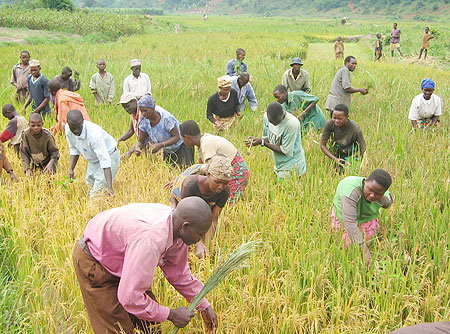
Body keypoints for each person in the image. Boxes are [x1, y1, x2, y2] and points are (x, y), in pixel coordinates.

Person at [72, 197, 218, 333]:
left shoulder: (178, 230)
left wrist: (204, 305)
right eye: (199, 235)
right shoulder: (150, 241)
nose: (200, 240)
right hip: (97, 261)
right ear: (185, 226)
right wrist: (171, 314)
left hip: (125, 259)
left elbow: (180, 275)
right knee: (117, 329)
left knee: (150, 327)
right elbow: (130, 297)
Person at [169, 154, 232, 258]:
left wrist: (207, 245)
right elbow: (185, 217)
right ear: (208, 174)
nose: (221, 187)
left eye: (225, 183)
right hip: (180, 201)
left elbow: (213, 219)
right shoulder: (190, 185)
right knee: (176, 226)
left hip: (204, 203)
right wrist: (197, 243)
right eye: (217, 182)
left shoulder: (225, 191)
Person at [332, 169, 393, 266]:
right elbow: (350, 222)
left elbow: (389, 202)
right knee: (347, 245)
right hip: (345, 216)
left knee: (369, 239)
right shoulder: (350, 191)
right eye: (370, 190)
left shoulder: (384, 198)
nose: (372, 195)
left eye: (378, 194)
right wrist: (365, 252)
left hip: (365, 217)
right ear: (366, 181)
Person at [180, 120, 249, 203]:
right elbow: (199, 170)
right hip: (226, 175)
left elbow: (210, 170)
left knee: (229, 204)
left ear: (187, 137)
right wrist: (180, 180)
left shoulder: (207, 143)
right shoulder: (202, 144)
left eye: (182, 138)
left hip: (236, 173)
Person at [65, 110, 119, 197]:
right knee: (90, 184)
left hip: (109, 155)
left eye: (79, 127)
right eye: (73, 128)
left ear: (83, 122)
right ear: (67, 123)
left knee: (96, 193)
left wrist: (109, 187)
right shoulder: (67, 129)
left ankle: (96, 208)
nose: (76, 130)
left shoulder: (94, 134)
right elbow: (74, 149)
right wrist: (71, 169)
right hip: (93, 158)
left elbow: (104, 160)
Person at [245, 102, 306, 180]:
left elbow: (285, 151)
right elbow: (270, 138)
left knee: (285, 188)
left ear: (281, 114)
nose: (274, 124)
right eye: (271, 122)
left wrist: (262, 142)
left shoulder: (291, 124)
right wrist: (257, 141)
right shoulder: (267, 118)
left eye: (276, 121)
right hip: (279, 164)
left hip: (292, 164)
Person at [133, 95, 193, 167]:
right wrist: (138, 148)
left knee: (186, 170)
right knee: (171, 171)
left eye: (145, 111)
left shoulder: (166, 118)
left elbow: (176, 136)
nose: (143, 113)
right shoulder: (143, 122)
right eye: (141, 111)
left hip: (181, 145)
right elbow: (140, 141)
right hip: (168, 150)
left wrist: (160, 145)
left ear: (153, 107)